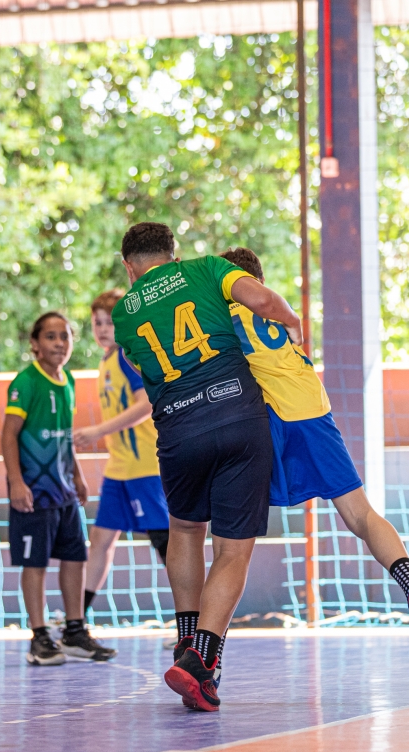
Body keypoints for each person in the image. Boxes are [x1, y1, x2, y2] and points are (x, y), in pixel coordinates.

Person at [218, 248, 409, 657]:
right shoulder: (276, 311)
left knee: (232, 542)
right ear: (259, 280)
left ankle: (207, 647)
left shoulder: (219, 313)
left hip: (267, 417)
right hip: (313, 408)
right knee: (361, 515)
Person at [112, 222, 300, 712]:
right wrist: (293, 323)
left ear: (129, 267)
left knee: (184, 530)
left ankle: (186, 635)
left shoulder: (124, 313)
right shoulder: (208, 269)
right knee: (233, 550)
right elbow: (262, 301)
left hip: (177, 431)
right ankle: (202, 659)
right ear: (174, 255)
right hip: (237, 416)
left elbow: (143, 365)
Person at [2, 312, 117, 666]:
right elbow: (8, 435)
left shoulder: (67, 381)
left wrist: (77, 476)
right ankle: (39, 637)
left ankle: (74, 631)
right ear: (35, 344)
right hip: (34, 492)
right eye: (50, 337)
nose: (59, 343)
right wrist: (17, 482)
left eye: (64, 336)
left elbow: (64, 435)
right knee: (35, 563)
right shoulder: (26, 382)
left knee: (75, 558)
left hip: (63, 490)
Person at [72, 289, 170, 622]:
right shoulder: (107, 361)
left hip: (145, 466)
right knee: (100, 539)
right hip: (119, 468)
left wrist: (98, 431)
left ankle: (193, 622)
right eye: (97, 322)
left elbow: (147, 404)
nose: (102, 329)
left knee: (165, 542)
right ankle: (76, 619)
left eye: (109, 322)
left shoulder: (129, 357)